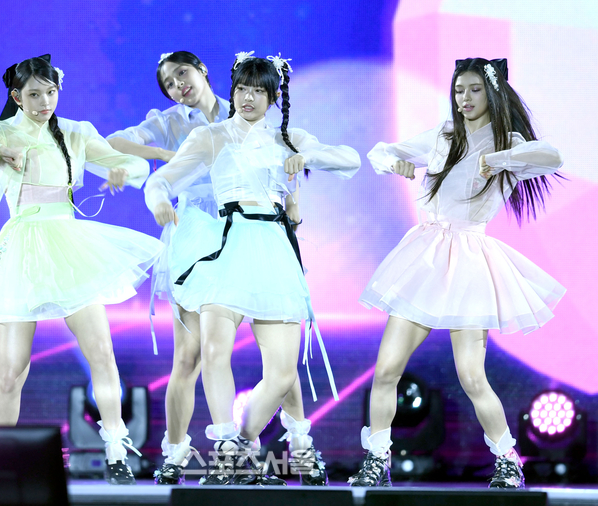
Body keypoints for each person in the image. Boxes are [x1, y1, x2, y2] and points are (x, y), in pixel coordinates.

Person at [0, 55, 164, 485]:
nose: (45, 102)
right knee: (12, 369)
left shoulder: (76, 132)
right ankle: (1, 458)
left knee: (101, 351)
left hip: (70, 246)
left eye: (51, 92)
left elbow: (129, 162)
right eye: (35, 94)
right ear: (17, 96)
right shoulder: (1, 130)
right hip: (23, 248)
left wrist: (124, 169)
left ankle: (116, 450)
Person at [108, 51, 328, 485]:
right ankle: (178, 452)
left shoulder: (246, 109)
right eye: (168, 83)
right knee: (191, 355)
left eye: (182, 74)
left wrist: (293, 200)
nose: (178, 85)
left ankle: (298, 446)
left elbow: (288, 167)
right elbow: (118, 143)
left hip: (255, 231)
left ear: (203, 71)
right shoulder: (173, 123)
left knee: (280, 351)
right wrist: (163, 155)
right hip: (199, 235)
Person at [350, 58, 565, 488]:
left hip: (468, 262)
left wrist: (500, 158)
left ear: (492, 93)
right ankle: (377, 459)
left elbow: (552, 157)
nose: (464, 98)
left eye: (474, 90)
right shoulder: (444, 135)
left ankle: (508, 460)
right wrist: (394, 162)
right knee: (387, 368)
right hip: (425, 257)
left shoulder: (507, 141)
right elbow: (381, 151)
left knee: (471, 376)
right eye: (458, 90)